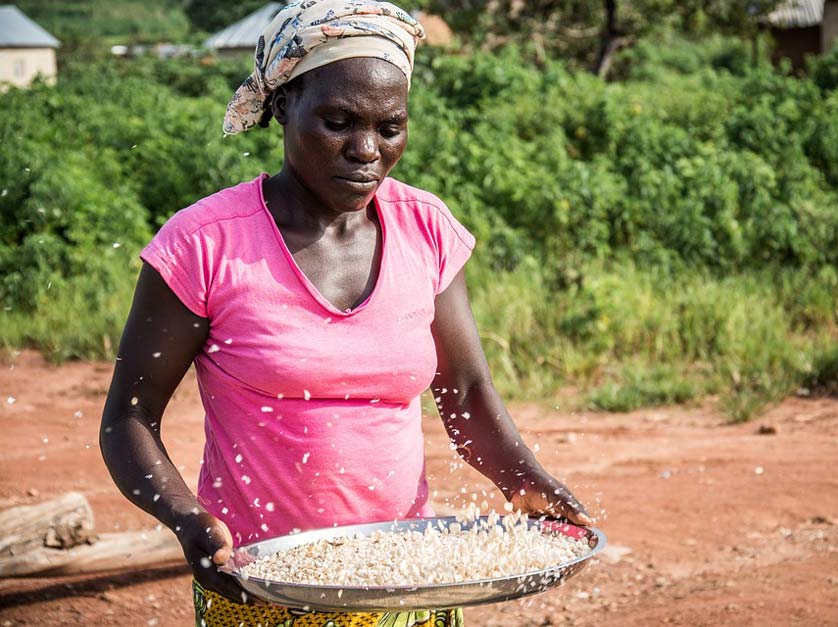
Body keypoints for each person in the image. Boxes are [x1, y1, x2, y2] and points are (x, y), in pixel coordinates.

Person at [99, 3, 592, 626]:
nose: (366, 151)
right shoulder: (206, 243)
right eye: (338, 121)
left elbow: (465, 392)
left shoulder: (425, 229)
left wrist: (525, 478)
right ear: (281, 104)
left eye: (390, 128)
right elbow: (129, 418)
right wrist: (186, 517)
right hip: (263, 584)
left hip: (407, 579)